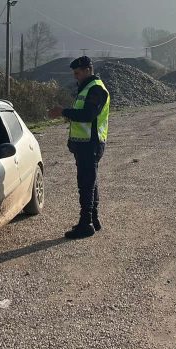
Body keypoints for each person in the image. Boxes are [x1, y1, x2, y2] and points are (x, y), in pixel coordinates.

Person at [48, 56, 110, 239]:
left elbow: (88, 115)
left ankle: (86, 224)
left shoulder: (96, 89)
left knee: (86, 184)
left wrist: (63, 111)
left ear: (88, 70)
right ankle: (93, 220)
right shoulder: (86, 88)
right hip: (84, 144)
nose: (75, 77)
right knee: (90, 182)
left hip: (91, 144)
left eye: (77, 73)